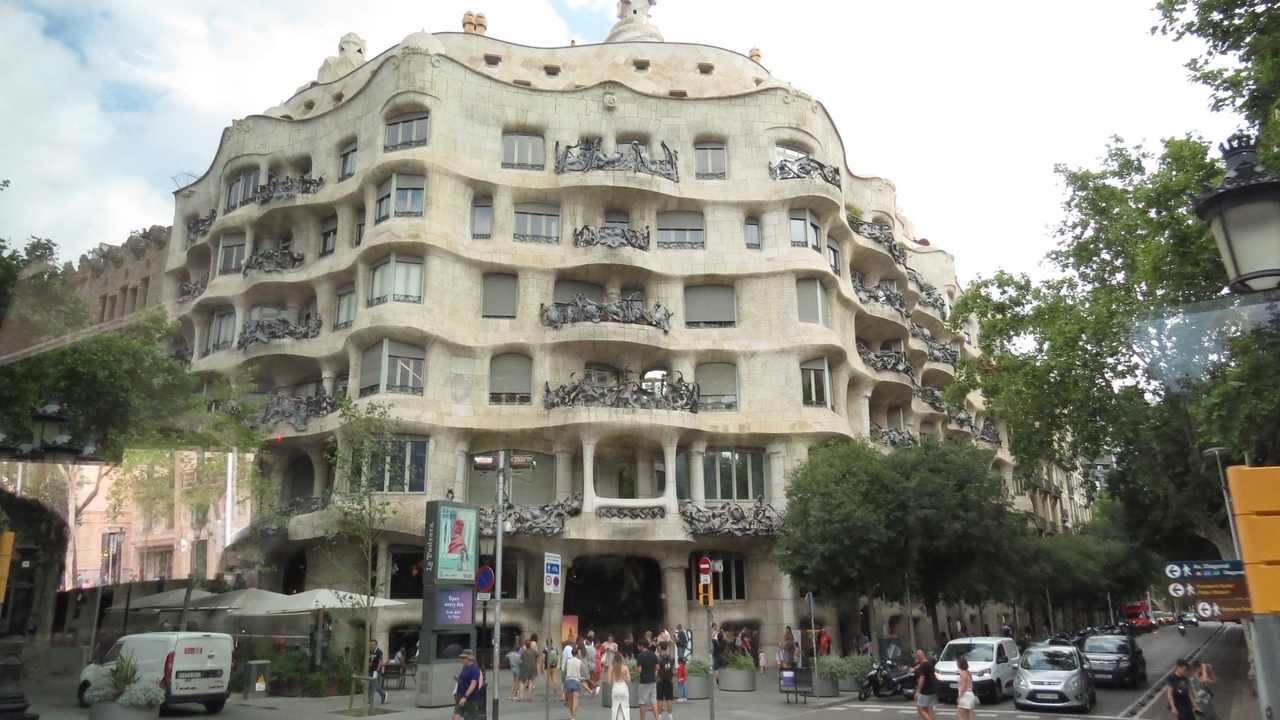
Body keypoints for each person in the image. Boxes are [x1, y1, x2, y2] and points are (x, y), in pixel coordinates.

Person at [452, 650, 482, 720]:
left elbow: (473, 684)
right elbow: (464, 678)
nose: (462, 660)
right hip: (460, 696)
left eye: (464, 658)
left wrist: (465, 697)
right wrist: (458, 679)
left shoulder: (474, 669)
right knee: (455, 717)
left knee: (471, 717)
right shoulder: (465, 667)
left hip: (470, 699)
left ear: (470, 659)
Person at [636, 640, 660, 720]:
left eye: (638, 646)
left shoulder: (640, 656)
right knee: (653, 700)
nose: (638, 647)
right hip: (652, 680)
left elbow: (639, 670)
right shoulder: (653, 654)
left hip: (644, 681)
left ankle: (642, 719)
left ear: (642, 646)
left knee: (642, 702)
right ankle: (657, 718)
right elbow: (657, 667)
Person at [563, 642, 586, 720]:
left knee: (570, 701)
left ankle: (571, 714)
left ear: (572, 653)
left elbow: (565, 670)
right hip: (576, 680)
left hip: (568, 680)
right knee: (575, 700)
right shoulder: (580, 662)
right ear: (577, 653)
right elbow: (582, 672)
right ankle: (573, 717)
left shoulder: (568, 661)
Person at [913, 649, 938, 720]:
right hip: (933, 689)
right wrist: (915, 668)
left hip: (925, 691)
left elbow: (922, 679)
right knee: (929, 709)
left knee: (920, 709)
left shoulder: (922, 666)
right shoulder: (930, 663)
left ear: (918, 657)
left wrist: (918, 691)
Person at [656, 642, 676, 720]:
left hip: (660, 680)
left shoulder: (658, 658)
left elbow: (657, 668)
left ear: (660, 648)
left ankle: (660, 716)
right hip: (669, 680)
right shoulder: (671, 657)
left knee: (660, 699)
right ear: (667, 648)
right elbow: (673, 667)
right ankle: (670, 716)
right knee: (669, 699)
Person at [610, 653, 632, 720]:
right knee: (625, 708)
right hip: (623, 688)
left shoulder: (611, 668)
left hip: (616, 688)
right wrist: (624, 678)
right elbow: (629, 680)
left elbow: (609, 681)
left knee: (615, 708)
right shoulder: (625, 668)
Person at [368, 639, 388, 704]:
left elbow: (380, 661)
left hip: (376, 670)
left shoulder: (379, 652)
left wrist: (377, 670)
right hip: (370, 670)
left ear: (376, 645)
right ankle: (369, 699)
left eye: (373, 644)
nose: (372, 646)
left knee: (374, 685)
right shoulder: (370, 652)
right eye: (371, 645)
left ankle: (383, 695)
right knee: (369, 686)